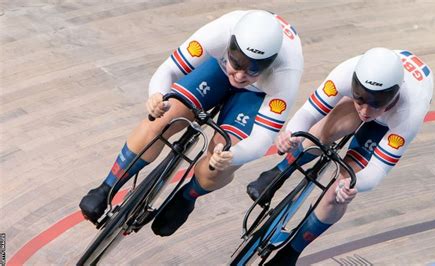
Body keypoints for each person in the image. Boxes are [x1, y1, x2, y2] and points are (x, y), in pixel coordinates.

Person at [79, 10, 304, 237]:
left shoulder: (286, 73)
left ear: (269, 64)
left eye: (252, 69)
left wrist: (232, 156)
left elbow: (262, 139)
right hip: (217, 67)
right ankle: (107, 187)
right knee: (163, 119)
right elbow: (169, 70)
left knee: (220, 160)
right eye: (236, 63)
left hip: (255, 95)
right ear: (230, 45)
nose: (238, 76)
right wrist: (157, 96)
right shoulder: (220, 32)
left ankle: (188, 196)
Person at [246, 47, 433, 265]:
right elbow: (309, 112)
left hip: (388, 123)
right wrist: (291, 134)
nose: (365, 111)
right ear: (354, 84)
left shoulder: (409, 112)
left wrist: (353, 185)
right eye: (359, 98)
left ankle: (290, 253)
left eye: (376, 103)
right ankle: (277, 173)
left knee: (339, 190)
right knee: (324, 129)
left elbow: (377, 169)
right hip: (376, 99)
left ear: (393, 95)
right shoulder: (346, 72)